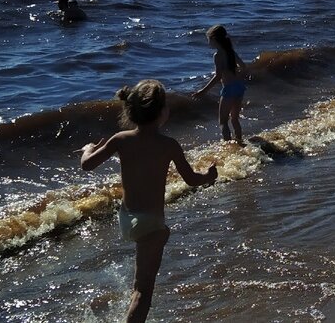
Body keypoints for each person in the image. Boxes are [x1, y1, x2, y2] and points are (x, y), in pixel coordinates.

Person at [80, 80, 218, 323]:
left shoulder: (120, 139)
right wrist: (209, 176)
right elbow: (191, 179)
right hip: (151, 224)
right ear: (162, 112)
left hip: (126, 218)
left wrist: (88, 148)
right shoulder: (169, 145)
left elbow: (87, 165)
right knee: (143, 292)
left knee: (139, 285)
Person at [191, 25, 248, 143]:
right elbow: (243, 67)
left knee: (223, 122)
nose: (208, 42)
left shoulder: (217, 55)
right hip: (239, 87)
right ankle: (239, 141)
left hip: (229, 90)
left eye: (209, 39)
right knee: (234, 119)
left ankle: (228, 146)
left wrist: (203, 91)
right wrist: (236, 75)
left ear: (214, 39)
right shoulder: (231, 52)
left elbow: (217, 76)